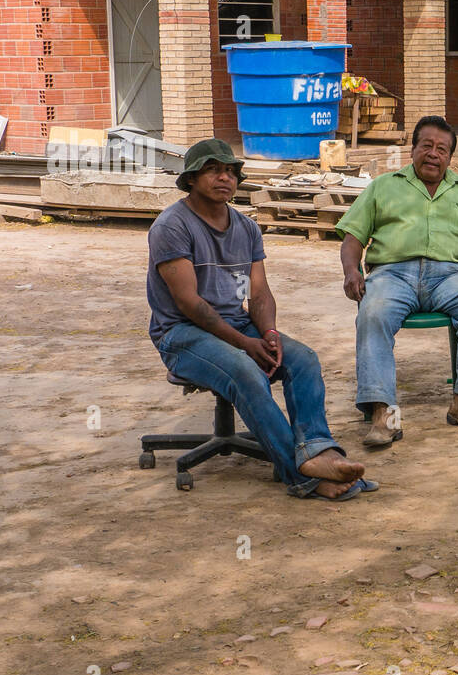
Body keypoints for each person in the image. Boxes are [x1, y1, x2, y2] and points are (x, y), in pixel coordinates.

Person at [147, 138, 376, 501]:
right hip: (181, 334)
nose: (224, 178)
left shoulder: (246, 227)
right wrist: (245, 343)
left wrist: (267, 332)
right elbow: (189, 303)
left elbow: (260, 293)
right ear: (191, 179)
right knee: (245, 369)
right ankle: (303, 476)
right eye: (213, 170)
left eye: (230, 172)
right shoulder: (172, 226)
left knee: (302, 359)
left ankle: (317, 450)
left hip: (237, 327)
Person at [336, 115, 458, 446]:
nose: (434, 154)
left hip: (449, 276)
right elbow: (352, 236)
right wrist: (351, 270)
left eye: (442, 149)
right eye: (426, 145)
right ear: (412, 149)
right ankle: (385, 415)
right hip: (391, 274)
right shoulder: (384, 185)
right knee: (373, 311)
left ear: (450, 157)